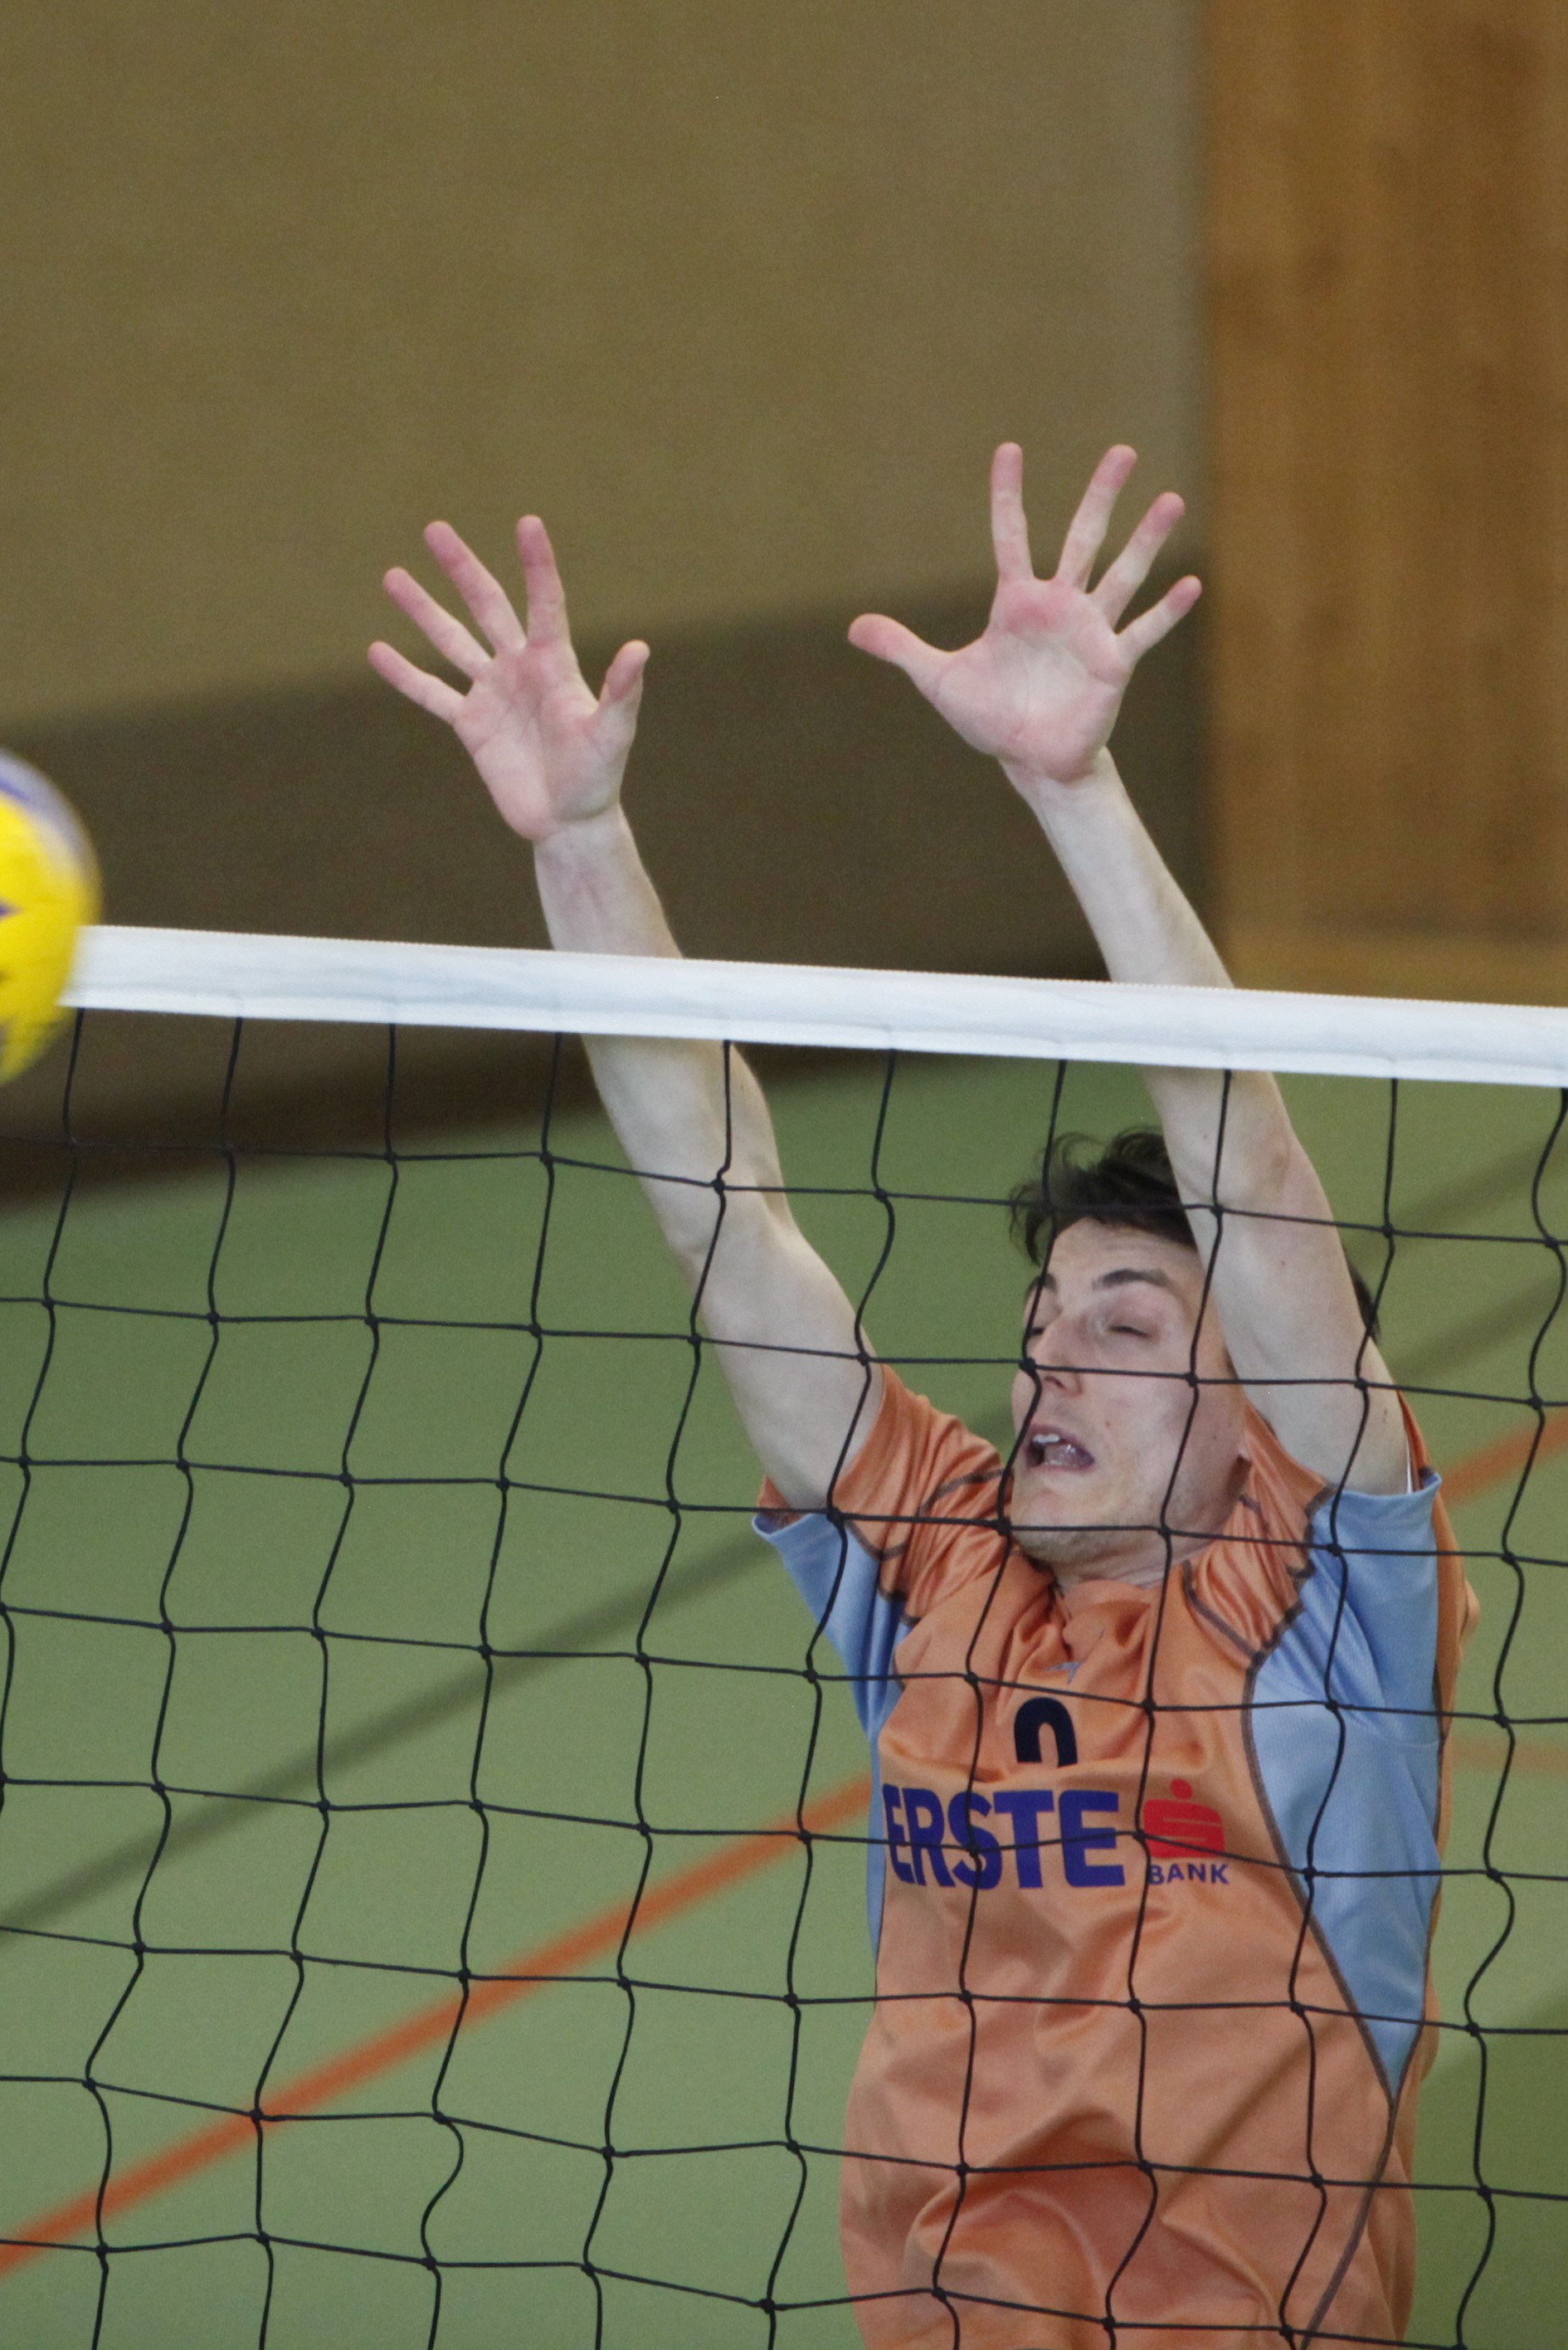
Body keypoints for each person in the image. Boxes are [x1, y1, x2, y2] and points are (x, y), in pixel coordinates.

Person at [371, 446, 1468, 2348]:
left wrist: (1074, 788)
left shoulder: (1322, 1592)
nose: (1050, 1358)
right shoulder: (938, 1563)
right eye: (1044, 1320)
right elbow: (725, 1217)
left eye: (1127, 1324)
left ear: (1257, 1417)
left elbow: (1257, 1177)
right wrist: (579, 842)